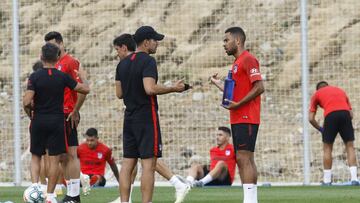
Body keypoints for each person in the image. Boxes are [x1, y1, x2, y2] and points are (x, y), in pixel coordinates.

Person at [110, 33, 190, 203]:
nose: (157, 44)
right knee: (148, 164)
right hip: (146, 116)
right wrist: (173, 88)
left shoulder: (121, 64)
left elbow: (119, 94)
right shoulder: (148, 61)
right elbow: (150, 89)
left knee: (127, 163)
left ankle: (124, 201)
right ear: (146, 42)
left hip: (129, 116)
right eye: (155, 41)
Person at [23, 43, 90, 203]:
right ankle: (50, 196)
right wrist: (83, 79)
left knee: (36, 156)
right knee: (54, 159)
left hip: (39, 120)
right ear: (57, 57)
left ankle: (35, 188)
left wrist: (30, 114)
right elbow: (85, 89)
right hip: (57, 121)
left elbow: (26, 101)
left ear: (41, 57)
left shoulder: (35, 77)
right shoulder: (62, 76)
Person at [210, 27, 264, 203]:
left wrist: (240, 104)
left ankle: (249, 200)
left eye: (226, 40)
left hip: (246, 116)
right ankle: (251, 199)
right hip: (239, 116)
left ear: (238, 41)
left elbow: (259, 87)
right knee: (246, 158)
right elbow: (235, 93)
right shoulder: (237, 63)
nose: (224, 44)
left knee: (243, 158)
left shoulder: (248, 59)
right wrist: (219, 84)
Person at [44, 31, 87, 203]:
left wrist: (76, 109)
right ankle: (70, 192)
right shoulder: (52, 64)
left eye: (54, 45)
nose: (51, 48)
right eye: (48, 46)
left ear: (61, 44)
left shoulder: (70, 62)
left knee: (71, 154)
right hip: (53, 115)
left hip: (67, 114)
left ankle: (74, 195)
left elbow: (83, 88)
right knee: (60, 157)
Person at [309, 81, 359, 186]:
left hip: (330, 116)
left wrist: (321, 129)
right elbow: (351, 114)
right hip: (345, 114)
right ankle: (354, 179)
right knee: (350, 146)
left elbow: (311, 119)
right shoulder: (340, 91)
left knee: (327, 148)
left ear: (318, 89)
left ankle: (327, 181)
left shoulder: (317, 94)